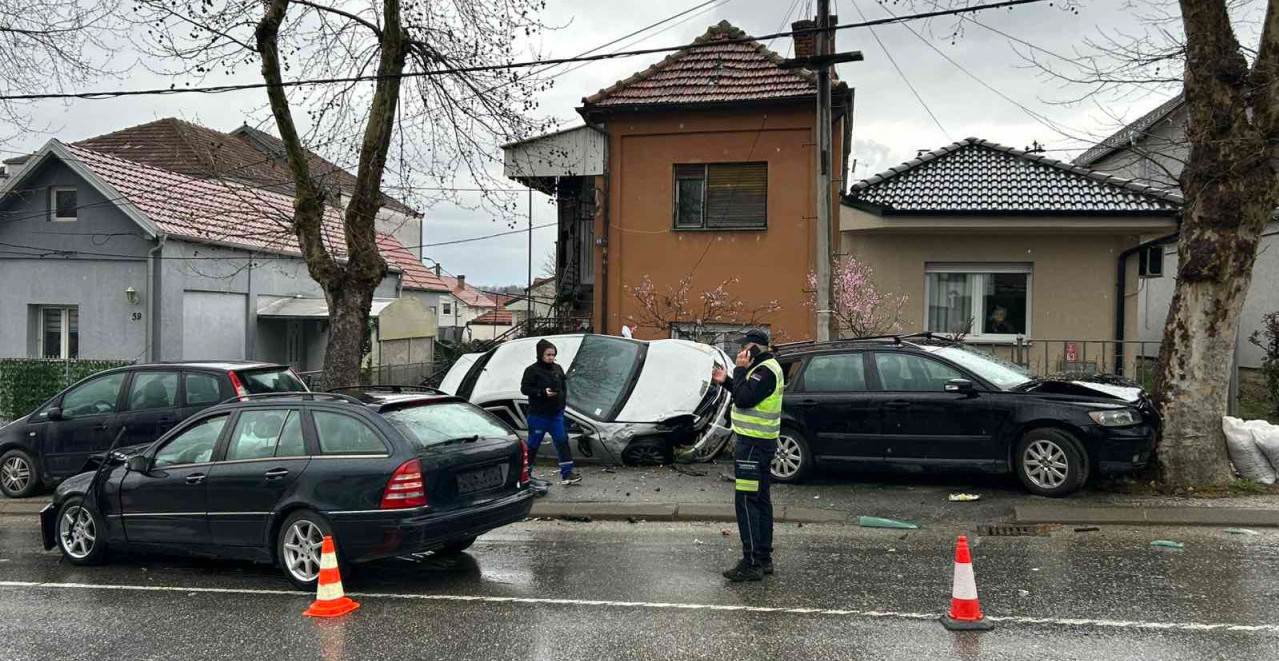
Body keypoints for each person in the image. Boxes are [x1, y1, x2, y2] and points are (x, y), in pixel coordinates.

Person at [711, 328, 783, 582]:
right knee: (760, 500)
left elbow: (744, 399)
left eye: (744, 347)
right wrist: (727, 381)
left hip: (752, 446)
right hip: (759, 444)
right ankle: (763, 558)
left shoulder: (764, 371)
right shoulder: (764, 368)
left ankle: (751, 562)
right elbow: (748, 394)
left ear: (753, 348)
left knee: (746, 501)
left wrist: (738, 371)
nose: (741, 352)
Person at [520, 339, 582, 486]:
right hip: (538, 415)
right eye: (548, 354)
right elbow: (525, 389)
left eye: (553, 354)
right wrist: (542, 392)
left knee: (562, 441)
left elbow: (564, 387)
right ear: (540, 354)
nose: (551, 357)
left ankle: (567, 473)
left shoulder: (558, 368)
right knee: (533, 445)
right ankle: (525, 474)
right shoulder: (532, 370)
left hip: (556, 415)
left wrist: (562, 404)